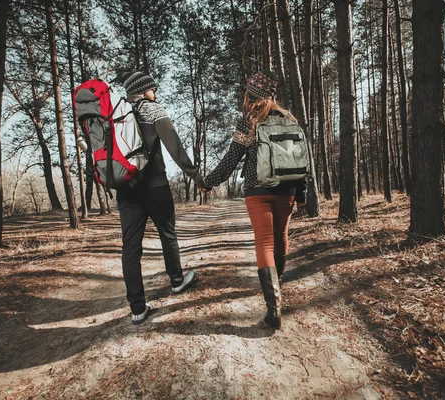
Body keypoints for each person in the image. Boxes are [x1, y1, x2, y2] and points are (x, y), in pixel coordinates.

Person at [200, 71, 306, 330]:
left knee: (264, 241)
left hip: (258, 190)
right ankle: (277, 286)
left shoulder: (250, 122)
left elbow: (230, 159)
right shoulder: (289, 119)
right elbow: (300, 158)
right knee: (281, 235)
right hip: (288, 189)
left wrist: (208, 182)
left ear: (250, 96)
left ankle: (274, 308)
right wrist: (301, 193)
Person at [117, 71, 202, 325]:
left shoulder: (116, 113)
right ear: (144, 90)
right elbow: (173, 145)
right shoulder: (151, 109)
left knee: (130, 248)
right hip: (156, 186)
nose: (156, 92)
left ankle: (137, 309)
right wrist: (196, 176)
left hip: (126, 190)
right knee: (168, 235)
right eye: (153, 88)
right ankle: (176, 281)